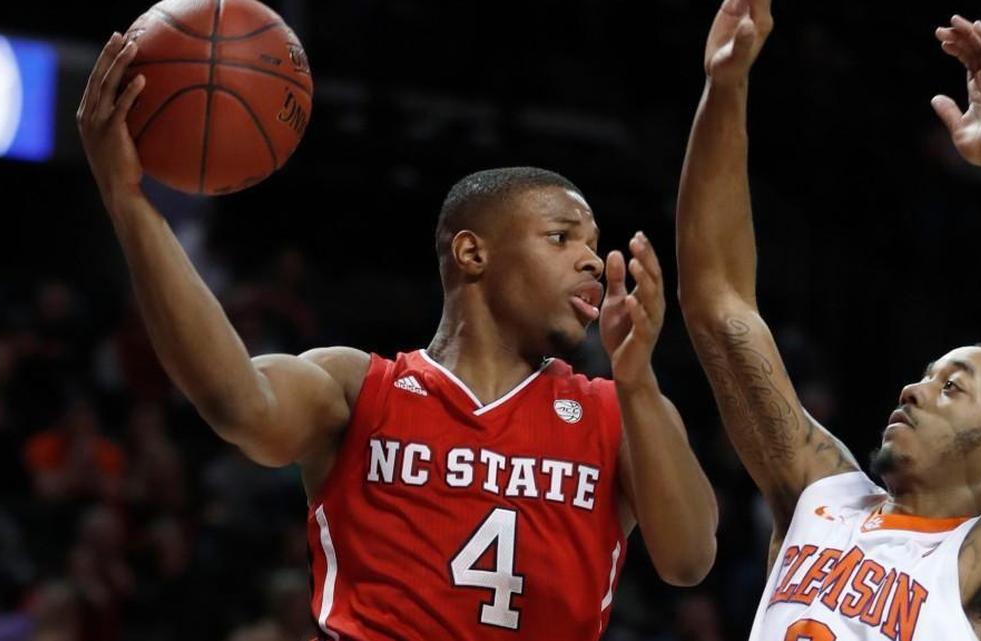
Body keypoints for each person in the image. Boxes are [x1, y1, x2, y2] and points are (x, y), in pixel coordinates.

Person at [75, 32, 718, 640]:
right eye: (561, 237)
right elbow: (235, 400)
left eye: (593, 245)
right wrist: (129, 204)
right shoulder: (360, 391)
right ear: (472, 253)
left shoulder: (618, 411)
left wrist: (636, 379)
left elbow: (688, 559)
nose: (588, 259)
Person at [676, 2, 981, 640]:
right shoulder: (819, 493)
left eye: (951, 387)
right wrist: (725, 87)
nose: (913, 389)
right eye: (930, 377)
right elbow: (718, 304)